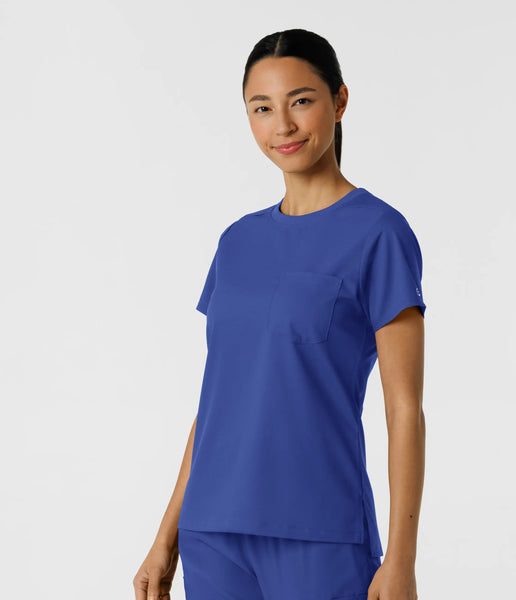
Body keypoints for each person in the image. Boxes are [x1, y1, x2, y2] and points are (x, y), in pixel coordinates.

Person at [133, 28, 426, 600]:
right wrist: (166, 536)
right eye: (262, 108)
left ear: (339, 101)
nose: (283, 126)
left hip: (320, 531)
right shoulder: (236, 242)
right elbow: (217, 402)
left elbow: (404, 410)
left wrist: (402, 560)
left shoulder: (379, 234)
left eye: (301, 101)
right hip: (212, 534)